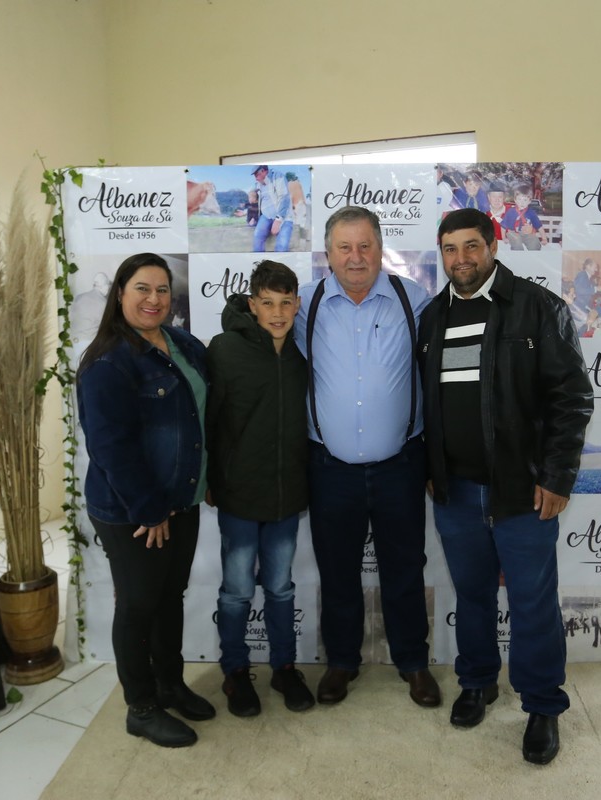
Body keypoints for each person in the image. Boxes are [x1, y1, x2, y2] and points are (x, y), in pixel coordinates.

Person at [418, 209, 593, 765]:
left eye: (471, 246)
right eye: (450, 249)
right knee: (471, 596)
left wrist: (558, 476)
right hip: (456, 493)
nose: (461, 259)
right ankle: (477, 681)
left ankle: (542, 706)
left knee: (532, 602)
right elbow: (430, 403)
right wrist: (432, 467)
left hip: (523, 491)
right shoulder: (433, 316)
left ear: (493, 246)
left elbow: (572, 398)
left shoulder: (538, 307)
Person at [293, 205, 440, 709]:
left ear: (380, 248)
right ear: (327, 253)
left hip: (401, 465)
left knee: (405, 568)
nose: (355, 257)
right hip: (329, 470)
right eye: (344, 247)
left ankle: (413, 662)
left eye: (365, 246)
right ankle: (341, 662)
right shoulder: (305, 305)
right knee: (337, 572)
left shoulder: (413, 299)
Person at [76, 253, 215, 749]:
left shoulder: (182, 344)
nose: (154, 299)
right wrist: (149, 508)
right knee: (138, 605)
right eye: (142, 289)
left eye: (162, 290)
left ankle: (169, 684)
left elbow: (198, 419)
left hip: (181, 499)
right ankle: (141, 707)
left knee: (168, 597)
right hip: (133, 510)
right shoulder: (108, 362)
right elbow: (111, 447)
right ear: (120, 294)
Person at [205, 260, 315, 717]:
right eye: (268, 303)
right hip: (238, 492)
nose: (277, 313)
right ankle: (234, 672)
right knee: (236, 590)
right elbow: (210, 419)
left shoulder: (302, 351)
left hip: (287, 494)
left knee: (281, 588)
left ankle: (284, 668)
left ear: (297, 304)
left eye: (286, 303)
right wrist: (212, 479)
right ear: (252, 304)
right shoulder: (225, 349)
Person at [251, 165, 293, 252]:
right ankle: (259, 260)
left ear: (263, 171)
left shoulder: (278, 176)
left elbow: (284, 198)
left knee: (282, 245)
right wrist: (252, 217)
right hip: (266, 216)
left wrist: (278, 220)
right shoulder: (258, 184)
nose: (256, 178)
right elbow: (254, 202)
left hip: (284, 216)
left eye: (256, 175)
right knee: (257, 236)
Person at [500, 184, 543, 251]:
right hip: (513, 232)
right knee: (517, 241)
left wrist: (544, 238)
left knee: (534, 243)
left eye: (525, 200)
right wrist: (503, 238)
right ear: (515, 200)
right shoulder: (510, 211)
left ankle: (533, 256)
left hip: (526, 234)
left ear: (529, 201)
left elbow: (539, 226)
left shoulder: (531, 213)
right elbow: (503, 226)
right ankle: (518, 256)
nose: (522, 202)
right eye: (519, 199)